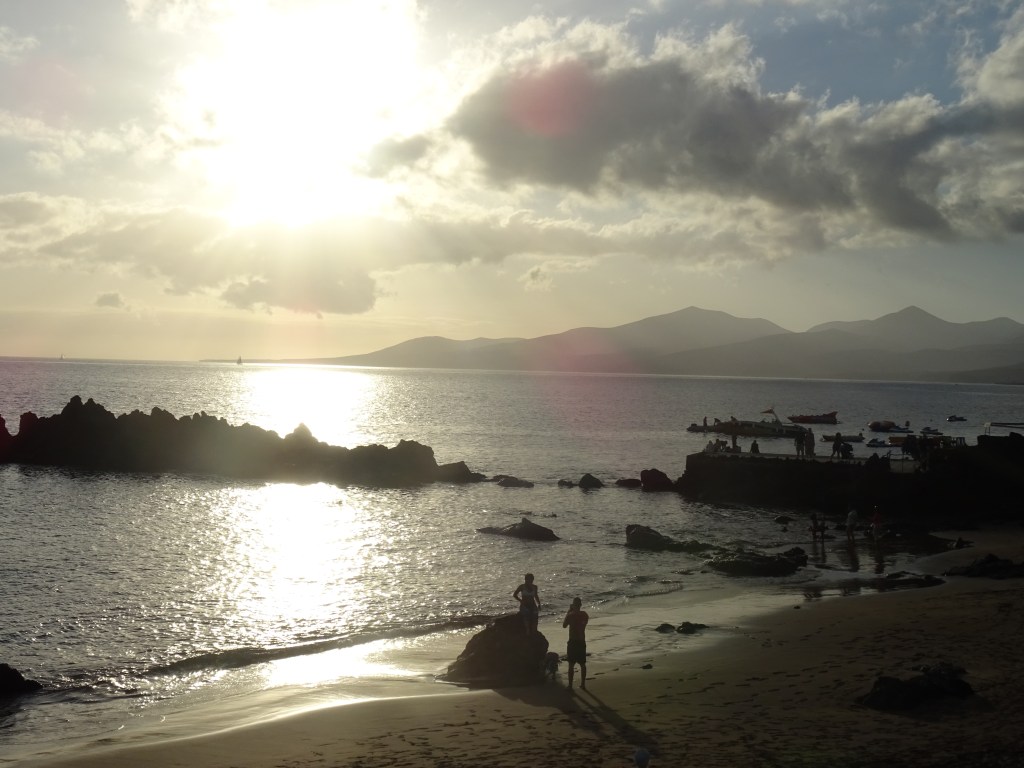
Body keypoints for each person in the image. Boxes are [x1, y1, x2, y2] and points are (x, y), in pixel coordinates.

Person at [563, 596, 589, 689]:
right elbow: (583, 625)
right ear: (581, 605)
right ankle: (583, 684)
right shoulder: (585, 614)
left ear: (573, 605)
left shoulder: (571, 615)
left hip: (573, 641)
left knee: (571, 664)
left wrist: (569, 611)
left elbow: (564, 625)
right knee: (582, 664)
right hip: (581, 641)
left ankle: (570, 685)